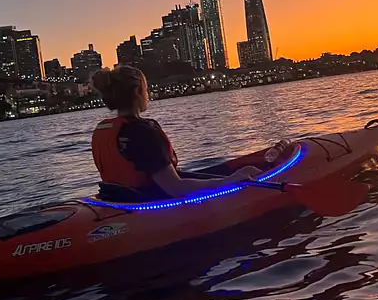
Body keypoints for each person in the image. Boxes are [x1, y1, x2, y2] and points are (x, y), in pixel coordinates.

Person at [89, 65, 269, 201]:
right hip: (150, 204)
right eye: (146, 88)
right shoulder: (142, 133)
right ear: (138, 91)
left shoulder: (103, 130)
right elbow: (175, 188)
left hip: (121, 200)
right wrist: (230, 181)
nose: (148, 93)